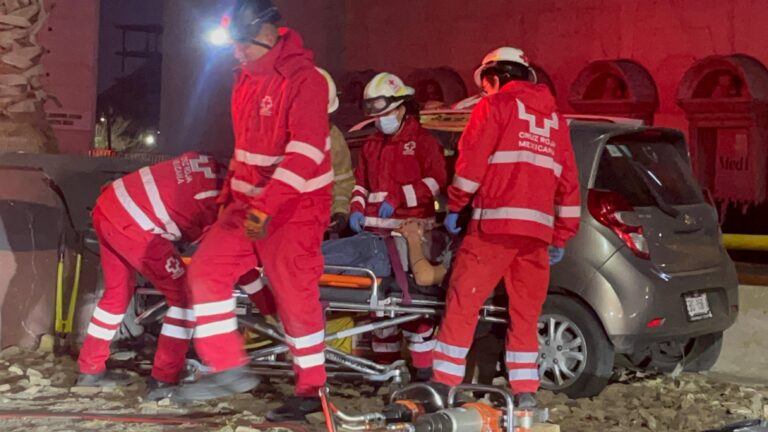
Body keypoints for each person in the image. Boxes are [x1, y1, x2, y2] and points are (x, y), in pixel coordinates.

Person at [175, 0, 333, 422]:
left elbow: (303, 155)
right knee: (205, 270)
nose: (236, 53)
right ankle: (227, 369)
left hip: (296, 209)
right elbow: (244, 153)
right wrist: (228, 201)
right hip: (249, 207)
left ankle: (311, 390)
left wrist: (265, 207)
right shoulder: (244, 80)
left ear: (265, 36)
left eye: (241, 45)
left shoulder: (306, 81)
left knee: (294, 295)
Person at [430, 47, 581, 408]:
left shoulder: (494, 107)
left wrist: (455, 204)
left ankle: (442, 386)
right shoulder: (557, 121)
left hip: (493, 227)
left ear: (495, 78)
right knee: (526, 314)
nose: (485, 90)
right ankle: (525, 391)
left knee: (463, 304)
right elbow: (570, 184)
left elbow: (470, 166)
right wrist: (562, 234)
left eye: (486, 83)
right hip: (537, 238)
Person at [77, 152, 223, 401]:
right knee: (185, 298)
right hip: (135, 224)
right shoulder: (218, 201)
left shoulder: (207, 161)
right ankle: (163, 381)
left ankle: (89, 370)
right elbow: (217, 254)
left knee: (117, 294)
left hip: (109, 206)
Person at [340, 72, 447, 379]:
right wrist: (356, 209)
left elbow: (436, 182)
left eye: (385, 114)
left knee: (411, 305)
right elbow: (361, 185)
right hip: (375, 235)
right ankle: (383, 374)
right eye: (376, 116)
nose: (380, 121)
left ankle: (423, 375)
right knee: (380, 311)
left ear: (401, 109)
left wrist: (402, 195)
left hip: (411, 235)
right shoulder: (373, 145)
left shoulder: (424, 142)